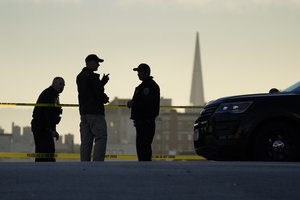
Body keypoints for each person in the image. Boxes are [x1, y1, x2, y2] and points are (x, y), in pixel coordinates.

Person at [76, 54, 110, 161]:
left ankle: (85, 164)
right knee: (100, 137)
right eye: (97, 62)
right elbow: (97, 93)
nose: (98, 65)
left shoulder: (80, 76)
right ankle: (97, 163)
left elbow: (90, 91)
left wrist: (101, 83)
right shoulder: (92, 77)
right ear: (90, 62)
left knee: (86, 141)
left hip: (84, 113)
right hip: (95, 112)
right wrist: (105, 98)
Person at [127, 63, 160, 161]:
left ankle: (145, 167)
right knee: (142, 147)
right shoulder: (143, 86)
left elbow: (147, 104)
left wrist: (134, 104)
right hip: (142, 122)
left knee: (143, 146)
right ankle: (144, 166)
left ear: (146, 72)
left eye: (140, 72)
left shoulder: (149, 86)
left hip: (146, 122)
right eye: (137, 72)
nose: (138, 74)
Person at [31, 77, 65, 162]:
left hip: (42, 127)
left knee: (43, 152)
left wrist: (52, 129)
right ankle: (46, 171)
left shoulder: (52, 94)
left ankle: (43, 171)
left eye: (63, 84)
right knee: (46, 152)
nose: (62, 86)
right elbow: (49, 115)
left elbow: (51, 115)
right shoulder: (50, 95)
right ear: (54, 84)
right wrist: (52, 130)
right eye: (60, 84)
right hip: (42, 127)